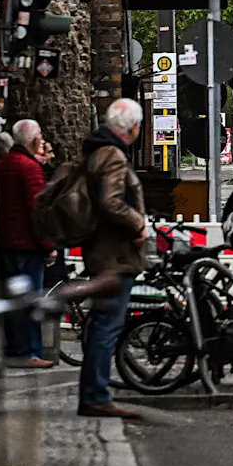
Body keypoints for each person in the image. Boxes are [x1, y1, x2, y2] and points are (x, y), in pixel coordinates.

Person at [78, 98, 149, 420]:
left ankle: (94, 393)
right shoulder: (113, 156)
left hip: (103, 251)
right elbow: (112, 201)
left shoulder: (97, 152)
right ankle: (96, 395)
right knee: (107, 326)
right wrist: (138, 225)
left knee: (102, 325)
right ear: (132, 127)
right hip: (114, 255)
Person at [0, 118, 52, 367]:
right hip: (27, 246)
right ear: (34, 139)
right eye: (40, 135)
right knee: (30, 300)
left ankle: (15, 348)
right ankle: (29, 351)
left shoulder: (5, 164)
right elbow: (37, 211)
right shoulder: (29, 168)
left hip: (8, 243)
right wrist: (48, 245)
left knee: (13, 300)